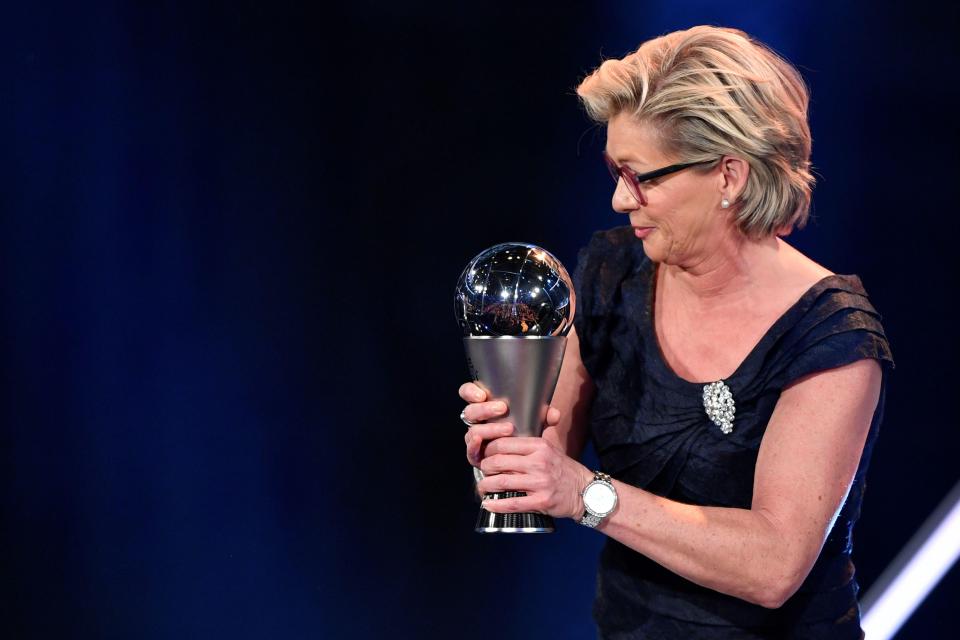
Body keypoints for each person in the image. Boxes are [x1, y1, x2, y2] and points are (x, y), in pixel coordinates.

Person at [458, 25, 894, 639]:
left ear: (729, 176)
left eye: (642, 177)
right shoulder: (612, 275)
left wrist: (587, 495)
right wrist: (506, 458)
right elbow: (549, 466)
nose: (618, 199)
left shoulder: (831, 336)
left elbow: (774, 566)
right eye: (615, 172)